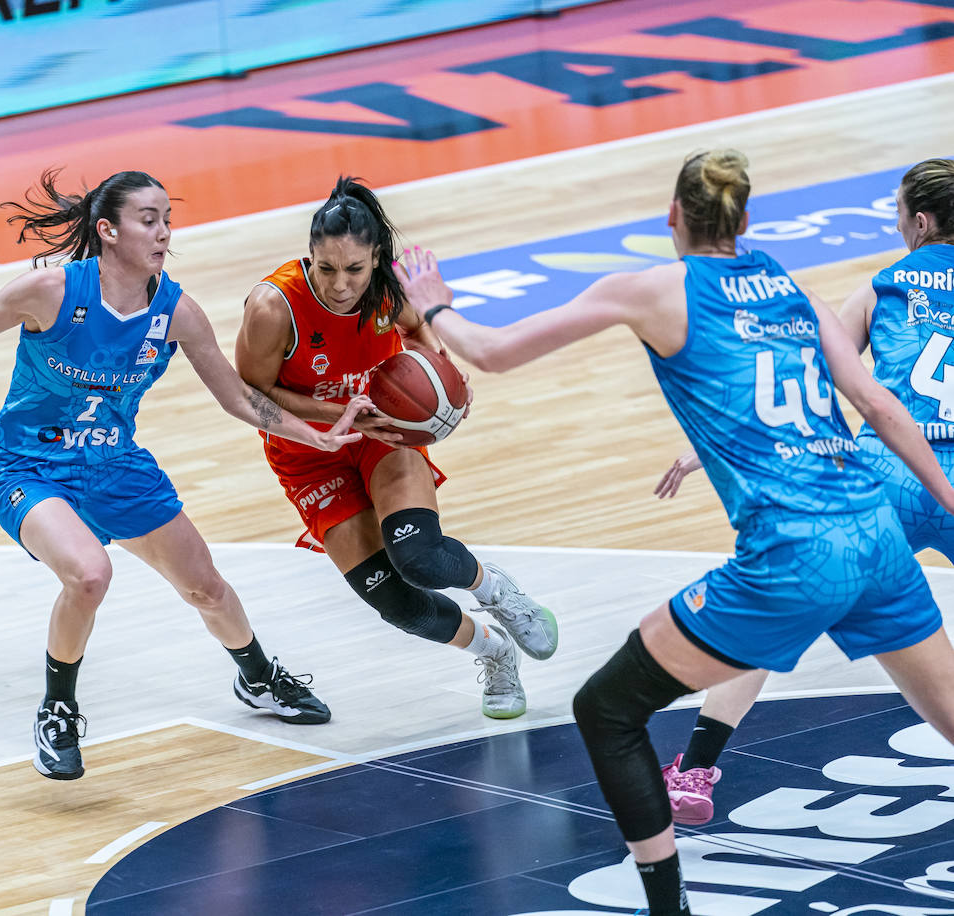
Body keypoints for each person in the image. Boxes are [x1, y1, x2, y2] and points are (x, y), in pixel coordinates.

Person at [395, 149, 954, 916]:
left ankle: (671, 904)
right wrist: (949, 499)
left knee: (606, 710)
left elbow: (490, 352)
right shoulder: (790, 287)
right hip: (877, 535)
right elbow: (882, 409)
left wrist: (432, 304)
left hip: (795, 551)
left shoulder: (651, 289)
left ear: (671, 217)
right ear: (746, 221)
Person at [0, 169, 368, 780]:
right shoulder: (52, 290)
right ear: (108, 230)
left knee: (207, 589)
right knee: (91, 574)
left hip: (117, 466)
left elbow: (238, 397)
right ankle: (57, 709)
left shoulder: (177, 312)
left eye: (167, 219)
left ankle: (256, 676)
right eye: (149, 219)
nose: (164, 232)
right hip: (30, 466)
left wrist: (316, 433)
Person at [651, 157, 954, 827]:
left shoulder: (885, 286)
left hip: (883, 480)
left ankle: (696, 768)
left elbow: (801, 383)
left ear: (921, 222)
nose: (896, 222)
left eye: (899, 211)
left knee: (780, 604)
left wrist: (702, 449)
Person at [233, 177, 558, 719]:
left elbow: (420, 332)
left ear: (375, 258)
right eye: (326, 268)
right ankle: (495, 651)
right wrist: (336, 414)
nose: (340, 285)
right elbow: (250, 393)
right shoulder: (274, 306)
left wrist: (445, 380)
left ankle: (499, 592)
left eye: (354, 270)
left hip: (382, 434)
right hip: (308, 454)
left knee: (422, 558)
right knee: (396, 603)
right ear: (309, 255)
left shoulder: (386, 290)